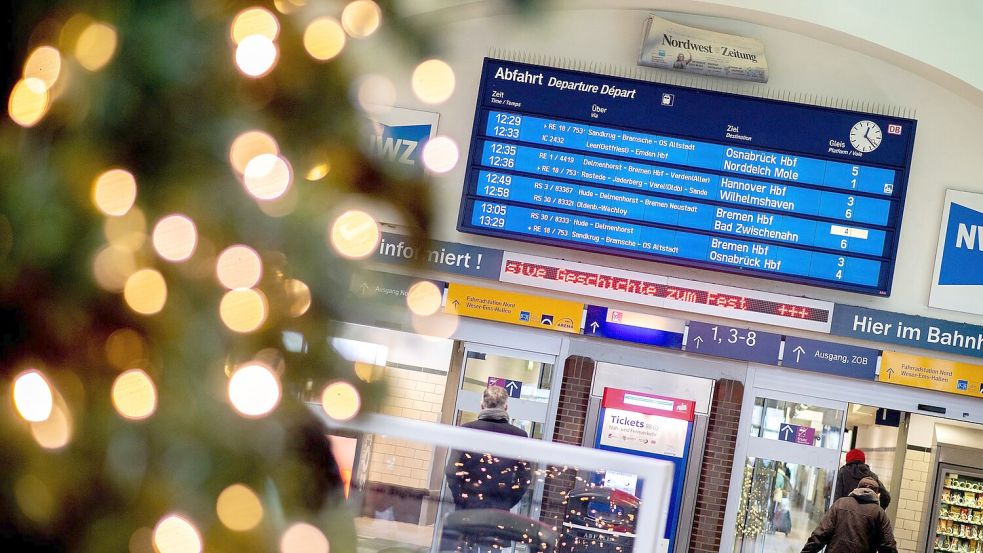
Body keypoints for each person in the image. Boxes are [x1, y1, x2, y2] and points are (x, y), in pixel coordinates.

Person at [444, 385, 531, 511]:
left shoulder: (467, 430)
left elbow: (452, 470)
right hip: (499, 511)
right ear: (506, 407)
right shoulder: (519, 436)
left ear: (482, 405)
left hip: (467, 509)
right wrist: (507, 503)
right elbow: (524, 478)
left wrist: (461, 498)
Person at [801, 477, 897, 553]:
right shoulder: (879, 513)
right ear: (877, 493)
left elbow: (820, 535)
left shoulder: (840, 503)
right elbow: (888, 547)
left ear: (857, 488)